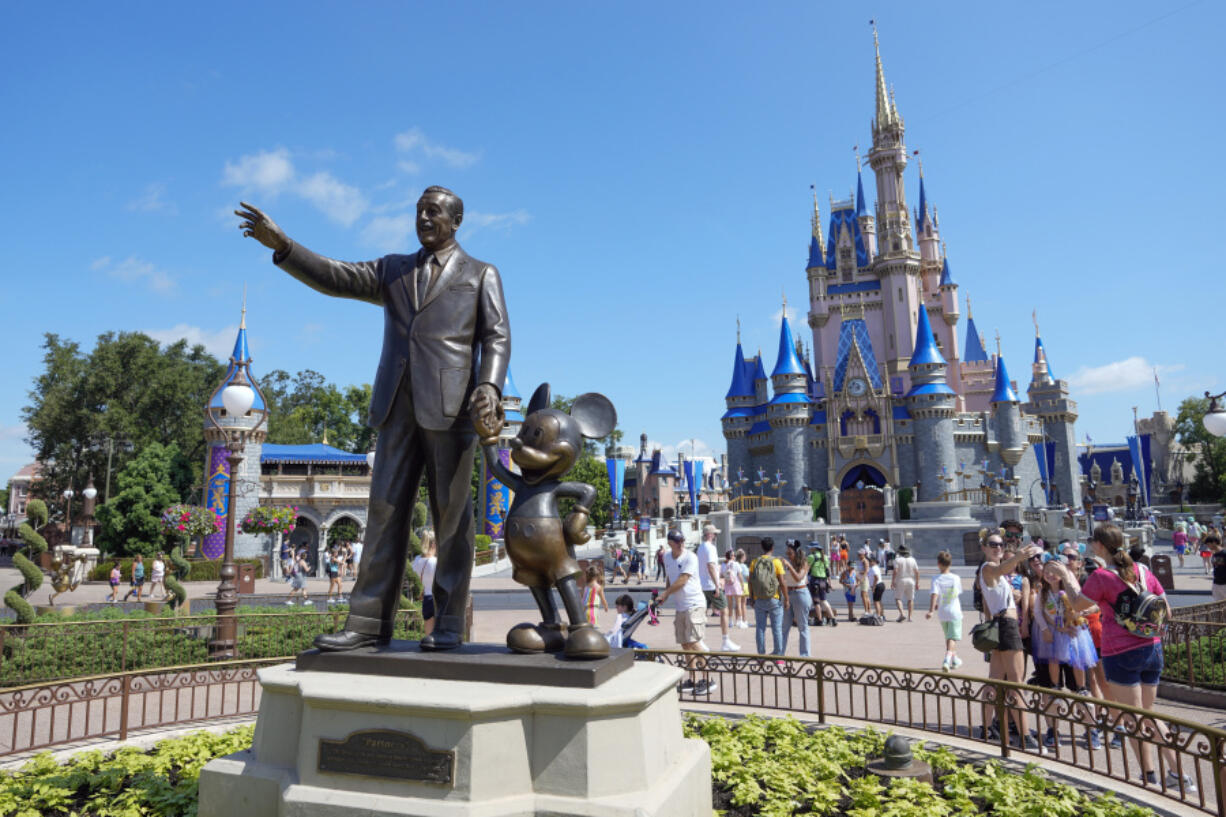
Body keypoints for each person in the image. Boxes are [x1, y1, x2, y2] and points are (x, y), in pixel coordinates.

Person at [239, 187, 511, 653]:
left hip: (452, 408)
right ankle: (367, 622)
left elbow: (497, 336)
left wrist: (488, 386)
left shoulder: (480, 273)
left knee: (451, 520)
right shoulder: (393, 269)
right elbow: (337, 276)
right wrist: (285, 246)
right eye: (419, 211)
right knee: (384, 513)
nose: (424, 218)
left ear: (457, 220)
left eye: (434, 211)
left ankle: (447, 623)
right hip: (395, 407)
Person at [1053, 525, 1196, 792]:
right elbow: (1167, 610)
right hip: (1152, 648)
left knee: (1134, 718)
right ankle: (1167, 775)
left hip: (1121, 652)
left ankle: (1161, 775)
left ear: (1099, 546)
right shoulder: (1143, 570)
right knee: (1145, 714)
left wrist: (1065, 575)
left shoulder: (1102, 576)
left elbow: (1076, 603)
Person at [977, 531, 1044, 751]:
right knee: (1016, 684)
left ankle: (986, 728)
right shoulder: (988, 567)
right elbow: (999, 570)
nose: (998, 547)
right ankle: (1025, 736)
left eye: (1001, 544)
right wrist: (1018, 557)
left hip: (1001, 625)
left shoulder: (995, 570)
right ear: (984, 547)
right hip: (1006, 626)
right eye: (993, 544)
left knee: (995, 680)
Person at [658, 528, 715, 695]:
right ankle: (693, 679)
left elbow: (683, 579)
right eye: (678, 542)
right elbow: (670, 576)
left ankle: (708, 679)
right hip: (681, 606)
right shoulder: (667, 556)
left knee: (694, 640)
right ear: (670, 544)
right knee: (685, 643)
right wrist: (665, 595)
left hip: (695, 604)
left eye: (682, 541)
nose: (681, 544)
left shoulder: (691, 557)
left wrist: (666, 593)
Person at [696, 523, 738, 652]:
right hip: (710, 584)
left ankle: (700, 640)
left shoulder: (700, 547)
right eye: (714, 534)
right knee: (724, 610)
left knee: (702, 613)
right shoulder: (711, 548)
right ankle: (725, 640)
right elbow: (711, 566)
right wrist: (717, 585)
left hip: (701, 584)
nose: (715, 536)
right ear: (709, 534)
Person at [747, 537, 788, 656]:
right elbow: (782, 581)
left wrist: (751, 597)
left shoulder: (755, 562)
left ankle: (761, 655)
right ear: (772, 548)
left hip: (759, 598)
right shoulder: (776, 562)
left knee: (760, 628)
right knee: (777, 629)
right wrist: (786, 598)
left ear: (762, 547)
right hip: (774, 598)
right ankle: (778, 655)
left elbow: (750, 581)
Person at [926, 550, 963, 671]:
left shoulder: (936, 578)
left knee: (948, 637)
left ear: (938, 563)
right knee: (952, 637)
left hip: (942, 612)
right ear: (950, 563)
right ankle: (947, 660)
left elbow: (934, 594)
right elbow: (956, 593)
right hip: (954, 611)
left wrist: (931, 610)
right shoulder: (956, 578)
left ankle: (955, 660)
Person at [781, 542, 813, 656]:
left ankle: (805, 654)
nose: (788, 555)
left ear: (795, 552)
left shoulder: (804, 563)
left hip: (800, 593)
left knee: (802, 626)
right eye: (787, 553)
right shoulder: (788, 563)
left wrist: (789, 566)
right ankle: (780, 653)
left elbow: (799, 577)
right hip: (788, 594)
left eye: (790, 553)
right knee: (784, 626)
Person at [411, 530, 438, 635]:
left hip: (426, 598)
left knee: (428, 632)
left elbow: (415, 577)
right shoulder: (435, 562)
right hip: (436, 599)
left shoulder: (417, 560)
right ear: (433, 544)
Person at [806, 543, 837, 627]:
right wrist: (830, 583)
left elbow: (806, 570)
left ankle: (819, 620)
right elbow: (828, 571)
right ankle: (833, 619)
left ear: (814, 548)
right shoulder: (825, 557)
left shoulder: (811, 557)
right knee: (824, 600)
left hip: (815, 581)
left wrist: (805, 580)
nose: (810, 549)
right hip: (823, 581)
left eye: (811, 548)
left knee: (816, 602)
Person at [891, 545, 919, 622]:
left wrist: (892, 581)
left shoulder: (897, 560)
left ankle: (902, 613)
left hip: (901, 579)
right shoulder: (912, 559)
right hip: (911, 580)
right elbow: (917, 572)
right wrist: (917, 583)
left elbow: (895, 571)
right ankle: (910, 617)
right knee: (910, 599)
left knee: (898, 598)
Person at [721, 549, 745, 629]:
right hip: (736, 585)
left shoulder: (724, 565)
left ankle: (730, 622)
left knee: (730, 605)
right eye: (733, 555)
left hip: (728, 585)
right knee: (738, 604)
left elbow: (721, 575)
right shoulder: (736, 564)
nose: (734, 556)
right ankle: (740, 622)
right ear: (731, 556)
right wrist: (742, 584)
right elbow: (740, 575)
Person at [866, 556, 885, 620]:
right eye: (869, 561)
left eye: (870, 561)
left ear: (874, 562)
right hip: (880, 584)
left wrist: (873, 587)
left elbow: (876, 578)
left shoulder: (873, 568)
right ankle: (882, 614)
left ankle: (878, 615)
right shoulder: (876, 567)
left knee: (876, 601)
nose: (869, 562)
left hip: (877, 585)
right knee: (879, 601)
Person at [1210, 535, 1226, 602]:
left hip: (1224, 582)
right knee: (1218, 603)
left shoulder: (1224, 553)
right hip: (1216, 582)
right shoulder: (1214, 554)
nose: (1208, 547)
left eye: (1208, 544)